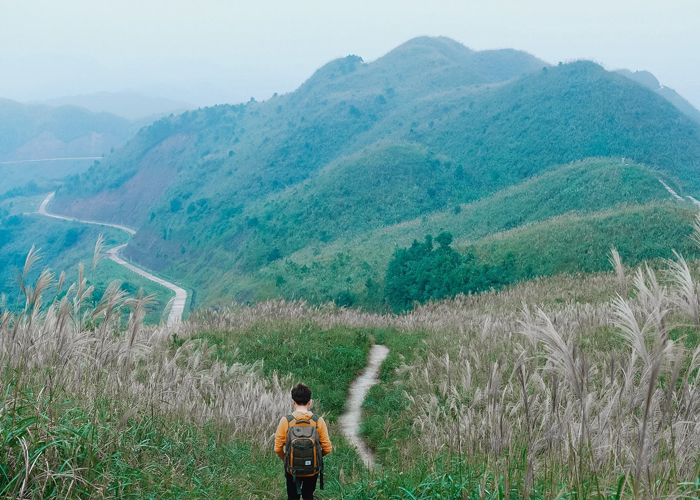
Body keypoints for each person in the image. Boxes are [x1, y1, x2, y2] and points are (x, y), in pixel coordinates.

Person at [275, 383, 332, 500]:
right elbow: (327, 448)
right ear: (310, 402)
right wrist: (316, 457)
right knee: (308, 495)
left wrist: (287, 459)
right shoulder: (318, 421)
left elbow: (277, 448)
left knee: (292, 497)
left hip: (292, 469)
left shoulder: (286, 421)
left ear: (293, 402)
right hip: (312, 469)